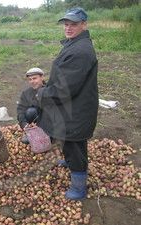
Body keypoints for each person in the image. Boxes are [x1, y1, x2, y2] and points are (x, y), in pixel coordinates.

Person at [35, 8, 98, 200]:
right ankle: (71, 163)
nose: (68, 28)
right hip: (74, 106)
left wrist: (42, 92)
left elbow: (65, 90)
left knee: (74, 145)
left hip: (75, 110)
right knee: (70, 141)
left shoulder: (80, 51)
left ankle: (79, 187)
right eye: (66, 24)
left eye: (74, 24)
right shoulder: (76, 43)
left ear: (84, 24)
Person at [17, 67, 45, 144]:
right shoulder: (26, 94)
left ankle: (48, 133)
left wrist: (42, 125)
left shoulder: (50, 90)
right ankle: (32, 132)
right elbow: (20, 110)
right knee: (30, 112)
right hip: (35, 121)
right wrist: (24, 124)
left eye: (35, 78)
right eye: (30, 79)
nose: (32, 81)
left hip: (50, 121)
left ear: (42, 77)